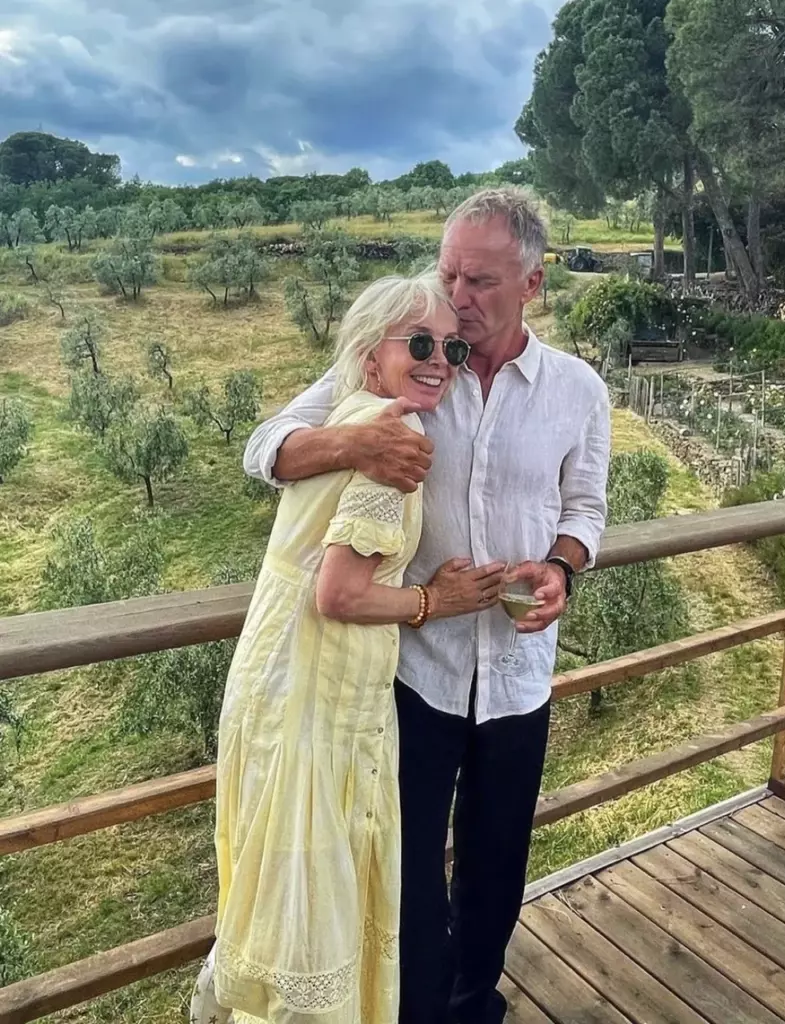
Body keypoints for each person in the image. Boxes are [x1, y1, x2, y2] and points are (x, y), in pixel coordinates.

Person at [243, 188, 611, 1024]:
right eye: (449, 273)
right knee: (403, 867)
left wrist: (561, 565)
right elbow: (264, 448)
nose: (458, 296)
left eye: (480, 280)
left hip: (518, 672)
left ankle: (474, 1003)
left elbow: (585, 507)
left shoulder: (577, 390)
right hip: (411, 676)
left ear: (532, 283)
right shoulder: (412, 357)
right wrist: (354, 441)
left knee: (496, 863)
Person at [211, 272, 506, 1024]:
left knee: (281, 889)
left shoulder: (353, 412)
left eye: (451, 347)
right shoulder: (394, 441)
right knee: (317, 900)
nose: (439, 360)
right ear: (371, 357)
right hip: (317, 698)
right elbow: (339, 595)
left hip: (274, 683)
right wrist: (437, 601)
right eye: (419, 344)